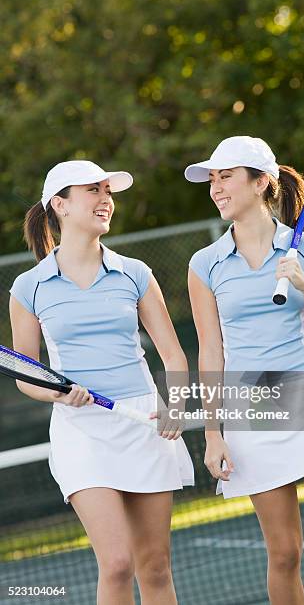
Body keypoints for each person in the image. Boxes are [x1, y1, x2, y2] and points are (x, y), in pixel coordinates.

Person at [186, 136, 304, 604]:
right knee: (284, 552)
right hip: (249, 407)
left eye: (225, 176)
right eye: (212, 180)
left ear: (260, 182)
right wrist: (213, 432)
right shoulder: (204, 265)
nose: (216, 188)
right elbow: (211, 355)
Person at [9, 160, 194, 605]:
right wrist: (57, 393)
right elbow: (26, 375)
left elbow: (173, 354)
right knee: (116, 563)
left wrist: (176, 405)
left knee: (154, 566)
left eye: (108, 191)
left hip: (145, 422)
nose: (105, 199)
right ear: (60, 205)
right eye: (93, 190)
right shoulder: (29, 287)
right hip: (82, 432)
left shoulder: (135, 273)